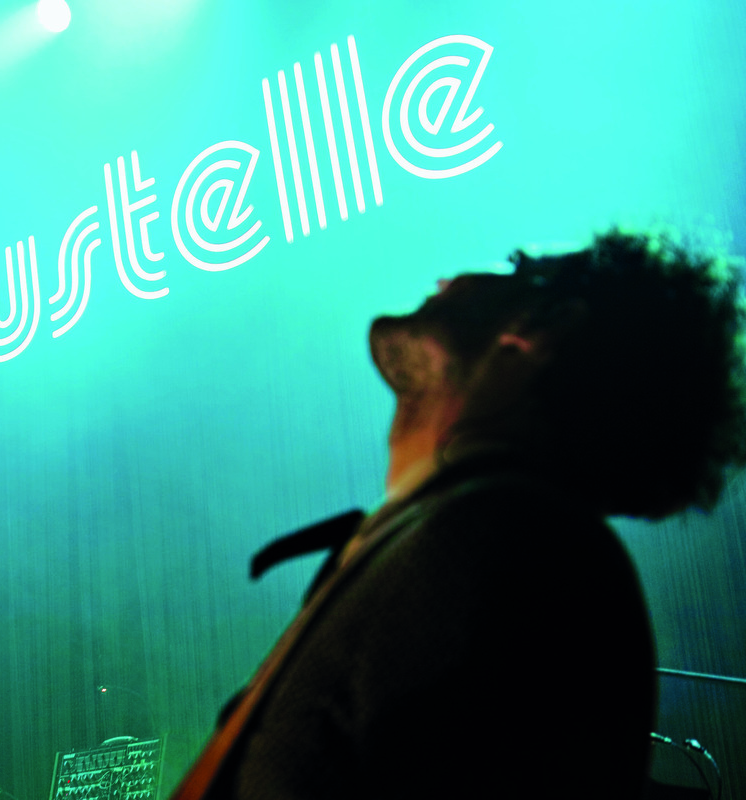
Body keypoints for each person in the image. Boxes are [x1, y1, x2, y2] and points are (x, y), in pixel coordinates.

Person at [174, 229, 746, 799]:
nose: (460, 275)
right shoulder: (472, 533)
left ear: (544, 328)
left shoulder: (515, 545)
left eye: (516, 265)